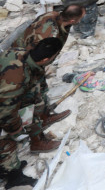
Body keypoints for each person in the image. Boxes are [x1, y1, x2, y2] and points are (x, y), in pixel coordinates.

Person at [0, 38, 64, 187]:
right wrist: (16, 129)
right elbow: (5, 113)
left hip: (6, 99)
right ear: (47, 58)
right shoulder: (15, 80)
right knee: (6, 142)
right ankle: (13, 177)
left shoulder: (21, 54)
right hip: (4, 105)